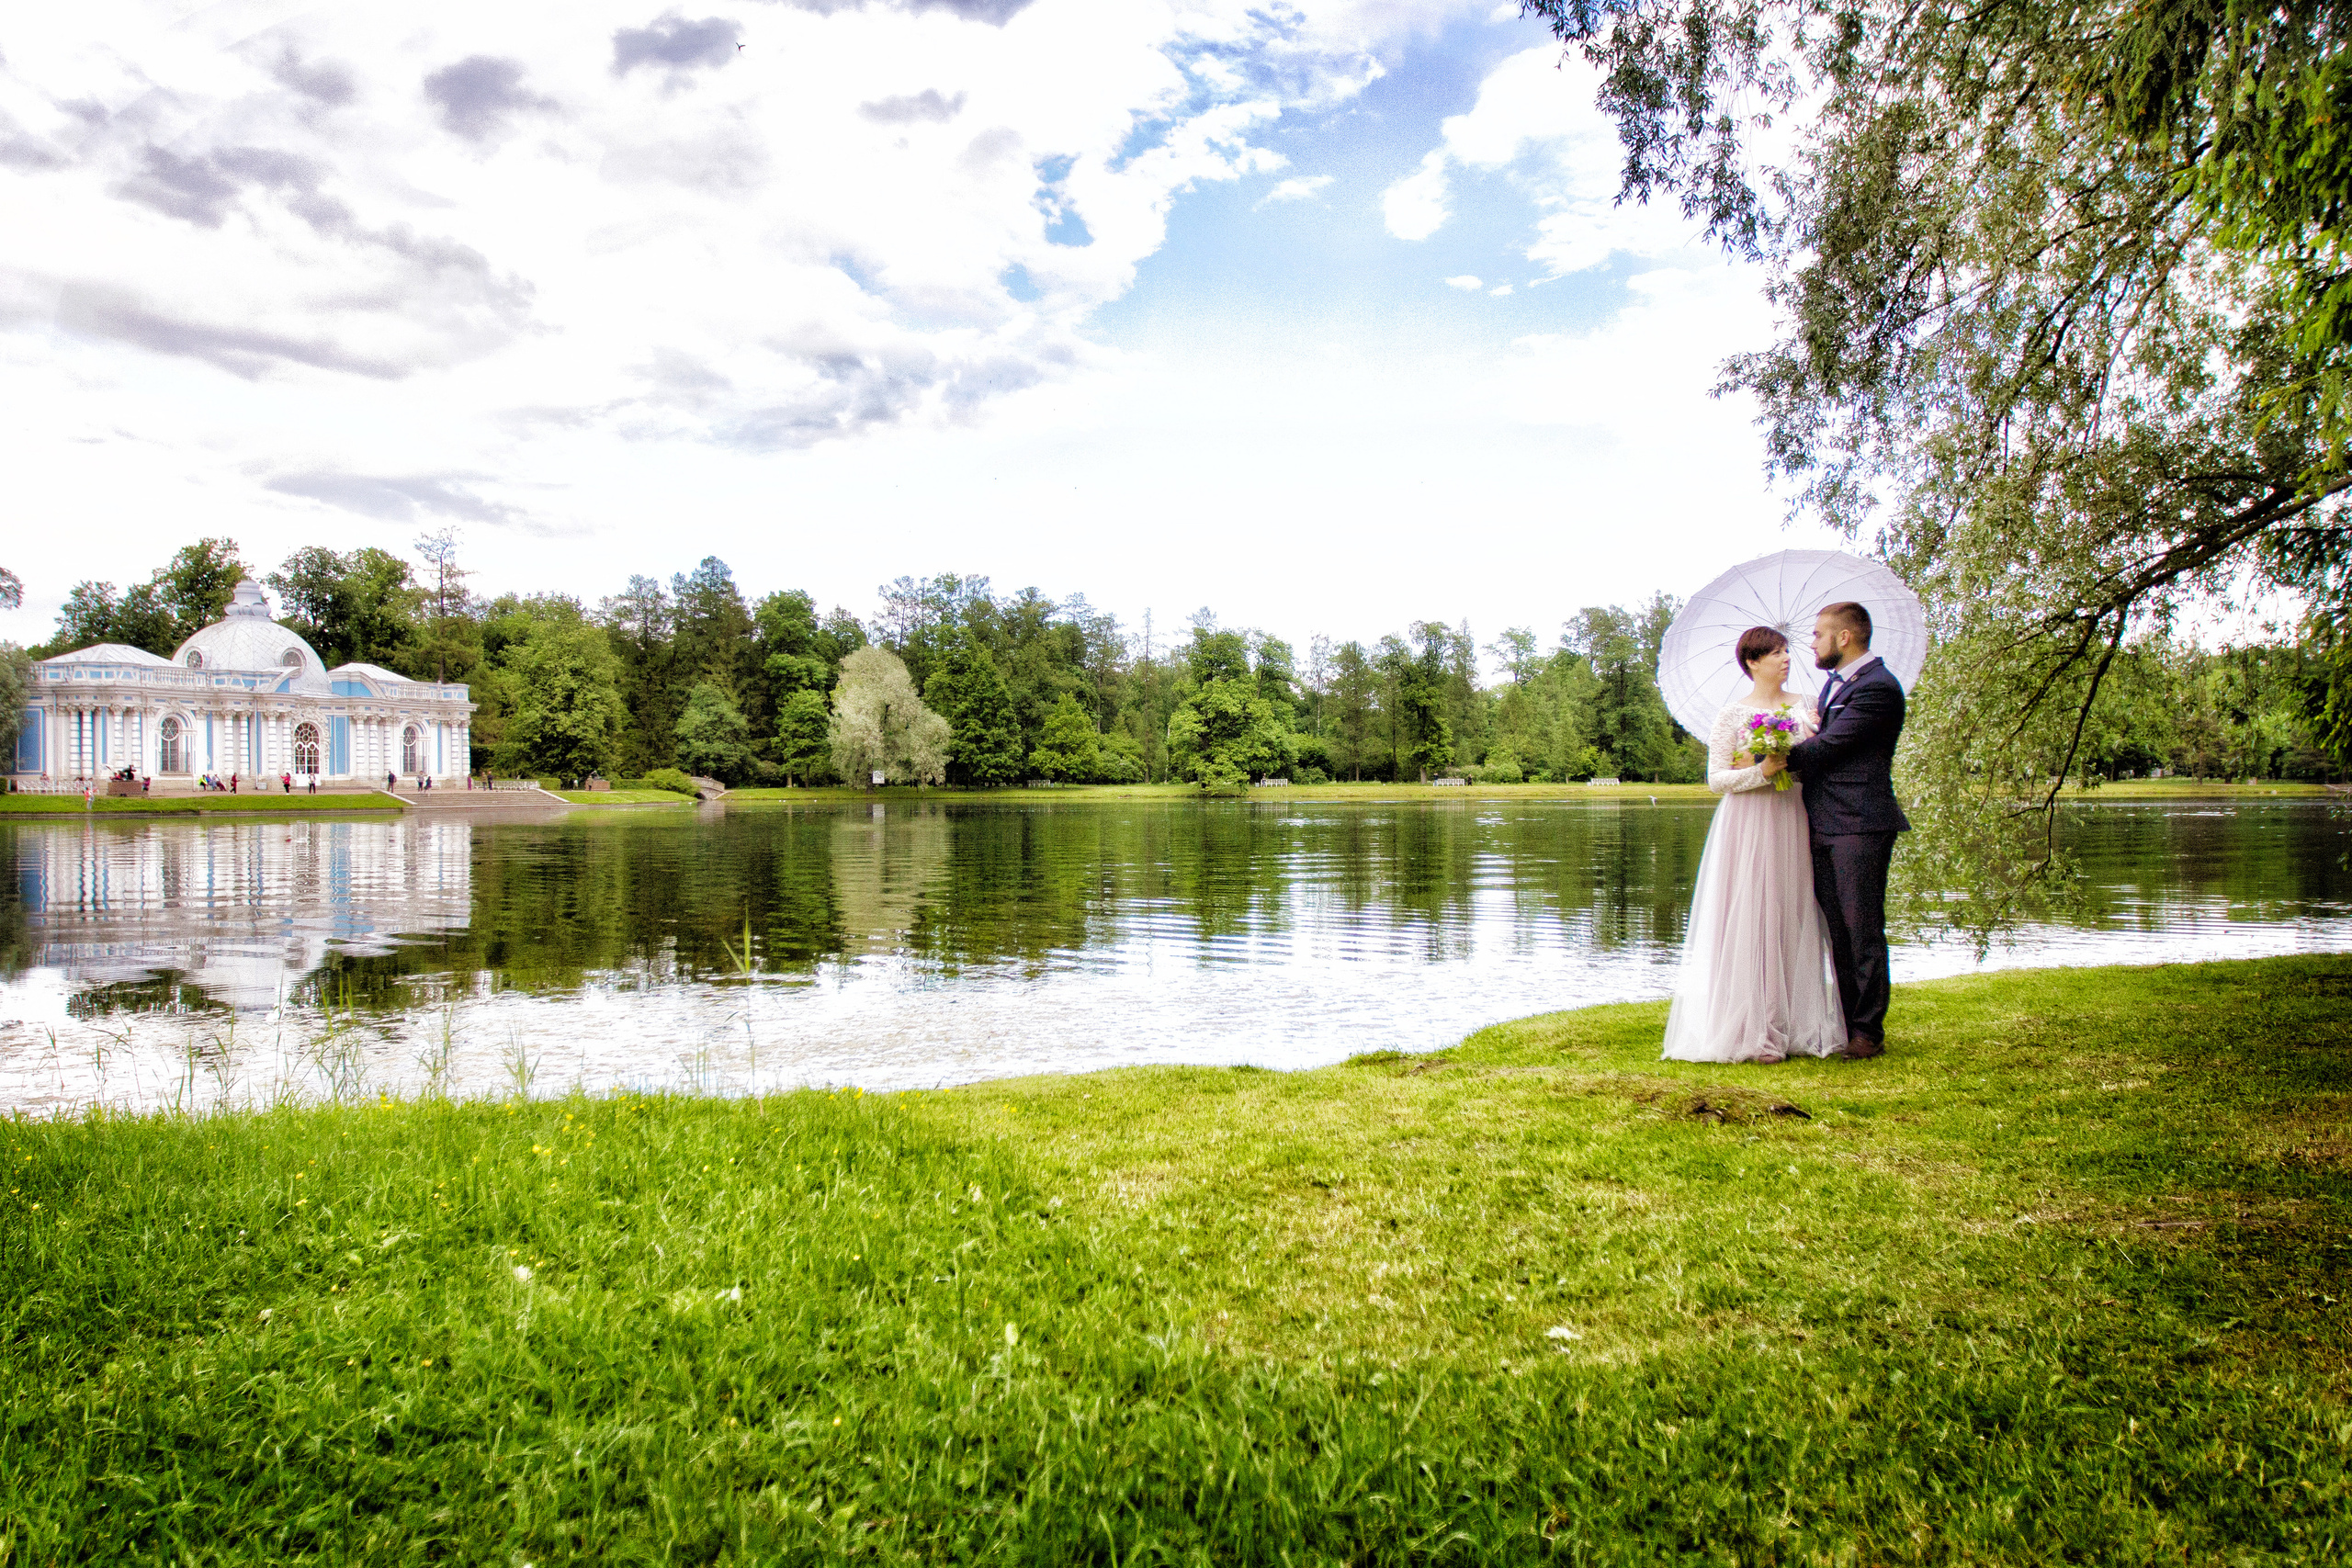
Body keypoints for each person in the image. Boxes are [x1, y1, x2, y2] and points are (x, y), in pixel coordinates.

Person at [1662, 626, 1848, 1064]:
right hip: (1747, 822)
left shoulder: (1808, 707)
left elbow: (1819, 761)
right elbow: (1716, 780)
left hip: (1793, 815)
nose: (1786, 658)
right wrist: (1761, 772)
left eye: (1787, 651)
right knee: (1750, 914)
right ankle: (1751, 1025)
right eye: (1776, 653)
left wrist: (1801, 755)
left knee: (1792, 910)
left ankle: (1794, 1021)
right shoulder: (1731, 715)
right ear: (1752, 662)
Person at [1781, 601, 1910, 1059]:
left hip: (1860, 822)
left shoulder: (1877, 688)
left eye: (1817, 635)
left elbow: (1832, 746)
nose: (1811, 644)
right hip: (1824, 821)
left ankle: (1867, 1032)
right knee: (1838, 927)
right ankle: (1848, 1019)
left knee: (1862, 927)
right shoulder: (1836, 687)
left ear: (1844, 637)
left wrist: (1771, 757)